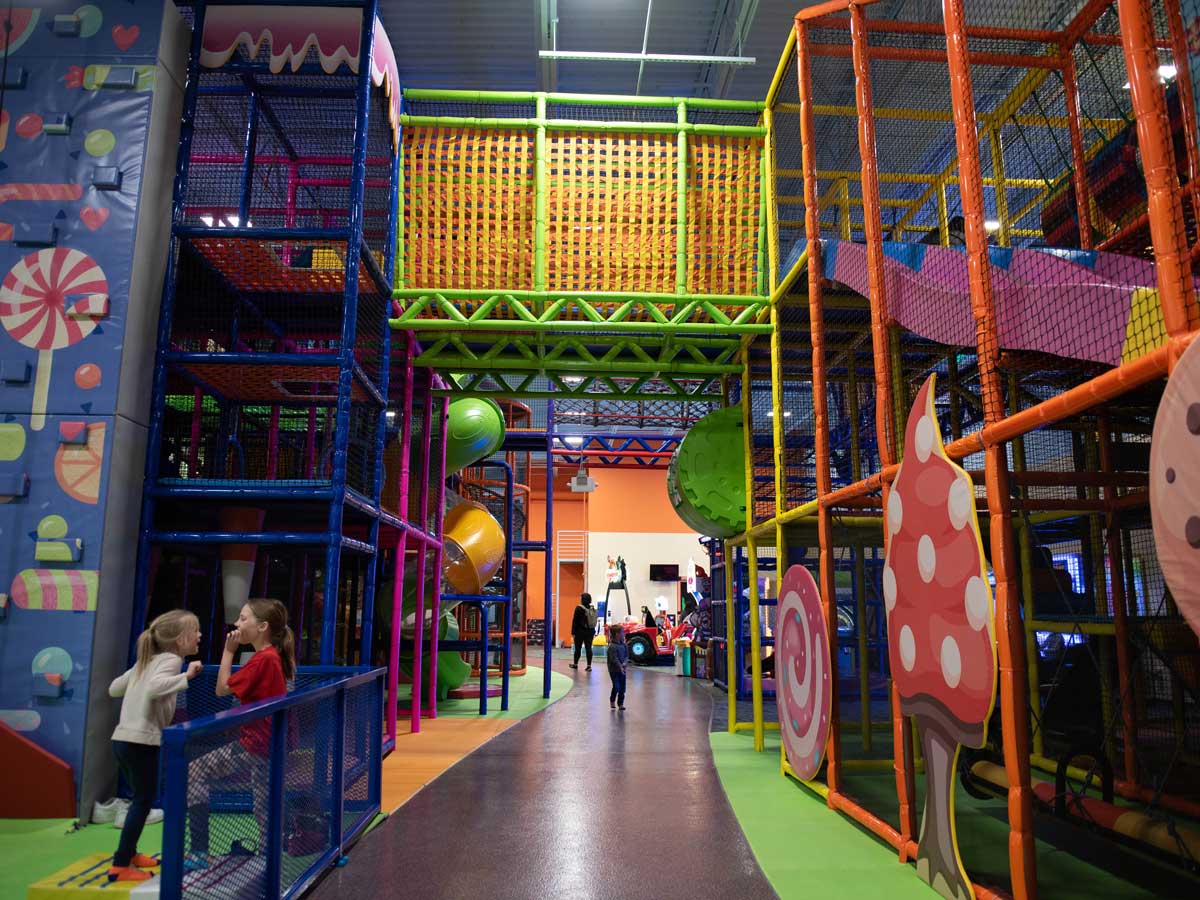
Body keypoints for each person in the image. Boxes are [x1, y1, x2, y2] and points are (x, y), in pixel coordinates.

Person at [186, 599, 294, 869]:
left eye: (244, 618)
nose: (237, 624)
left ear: (262, 626)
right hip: (267, 744)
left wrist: (228, 651)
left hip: (257, 744)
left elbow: (221, 688)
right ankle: (269, 861)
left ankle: (199, 850)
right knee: (263, 807)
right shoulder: (271, 656)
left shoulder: (263, 659)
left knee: (196, 770)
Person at [107, 610, 203, 882]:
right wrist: (187, 676)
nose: (199, 635)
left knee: (141, 799)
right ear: (178, 639)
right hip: (141, 741)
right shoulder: (173, 660)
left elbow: (114, 688)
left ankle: (130, 853)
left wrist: (139, 676)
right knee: (142, 802)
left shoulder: (146, 661)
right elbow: (154, 689)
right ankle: (120, 864)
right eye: (194, 630)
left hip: (122, 740)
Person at [569, 592, 597, 670]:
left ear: (582, 599)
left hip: (580, 632)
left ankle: (575, 664)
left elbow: (575, 621)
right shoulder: (592, 609)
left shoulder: (579, 608)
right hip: (590, 631)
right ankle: (589, 666)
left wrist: (573, 632)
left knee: (578, 648)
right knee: (589, 648)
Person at [607, 624, 629, 710]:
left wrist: (624, 663)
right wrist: (620, 667)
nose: (624, 634)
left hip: (622, 669)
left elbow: (627, 656)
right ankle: (612, 700)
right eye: (622, 632)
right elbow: (614, 659)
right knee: (616, 686)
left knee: (622, 688)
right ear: (617, 634)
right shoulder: (612, 647)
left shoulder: (624, 645)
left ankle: (620, 703)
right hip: (614, 670)